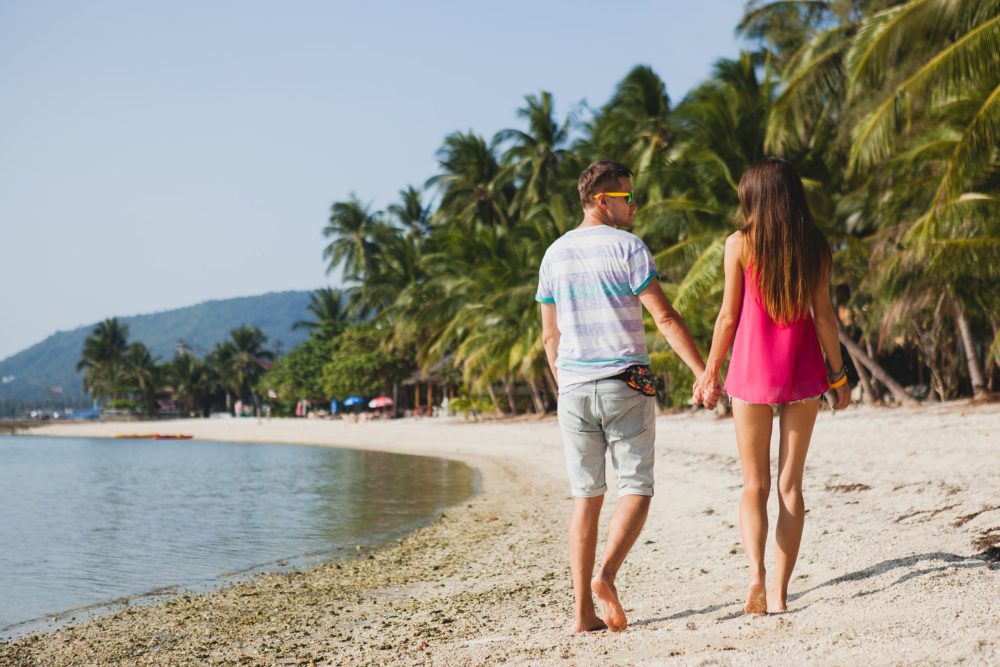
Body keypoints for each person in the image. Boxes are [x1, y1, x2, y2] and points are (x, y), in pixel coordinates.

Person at [537, 160, 712, 633]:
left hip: (573, 389)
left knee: (585, 497)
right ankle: (607, 575)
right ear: (602, 200)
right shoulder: (627, 247)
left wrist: (566, 384)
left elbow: (550, 336)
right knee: (636, 486)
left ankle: (582, 615)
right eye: (628, 197)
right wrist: (702, 372)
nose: (635, 205)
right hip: (625, 383)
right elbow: (665, 317)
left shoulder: (554, 253)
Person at [692, 157, 851, 615]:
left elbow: (728, 316)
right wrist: (839, 377)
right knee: (790, 486)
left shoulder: (739, 243)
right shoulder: (815, 245)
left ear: (753, 198)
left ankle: (756, 576)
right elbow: (824, 317)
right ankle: (780, 594)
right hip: (802, 372)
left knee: (753, 485)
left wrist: (710, 371)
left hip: (750, 373)